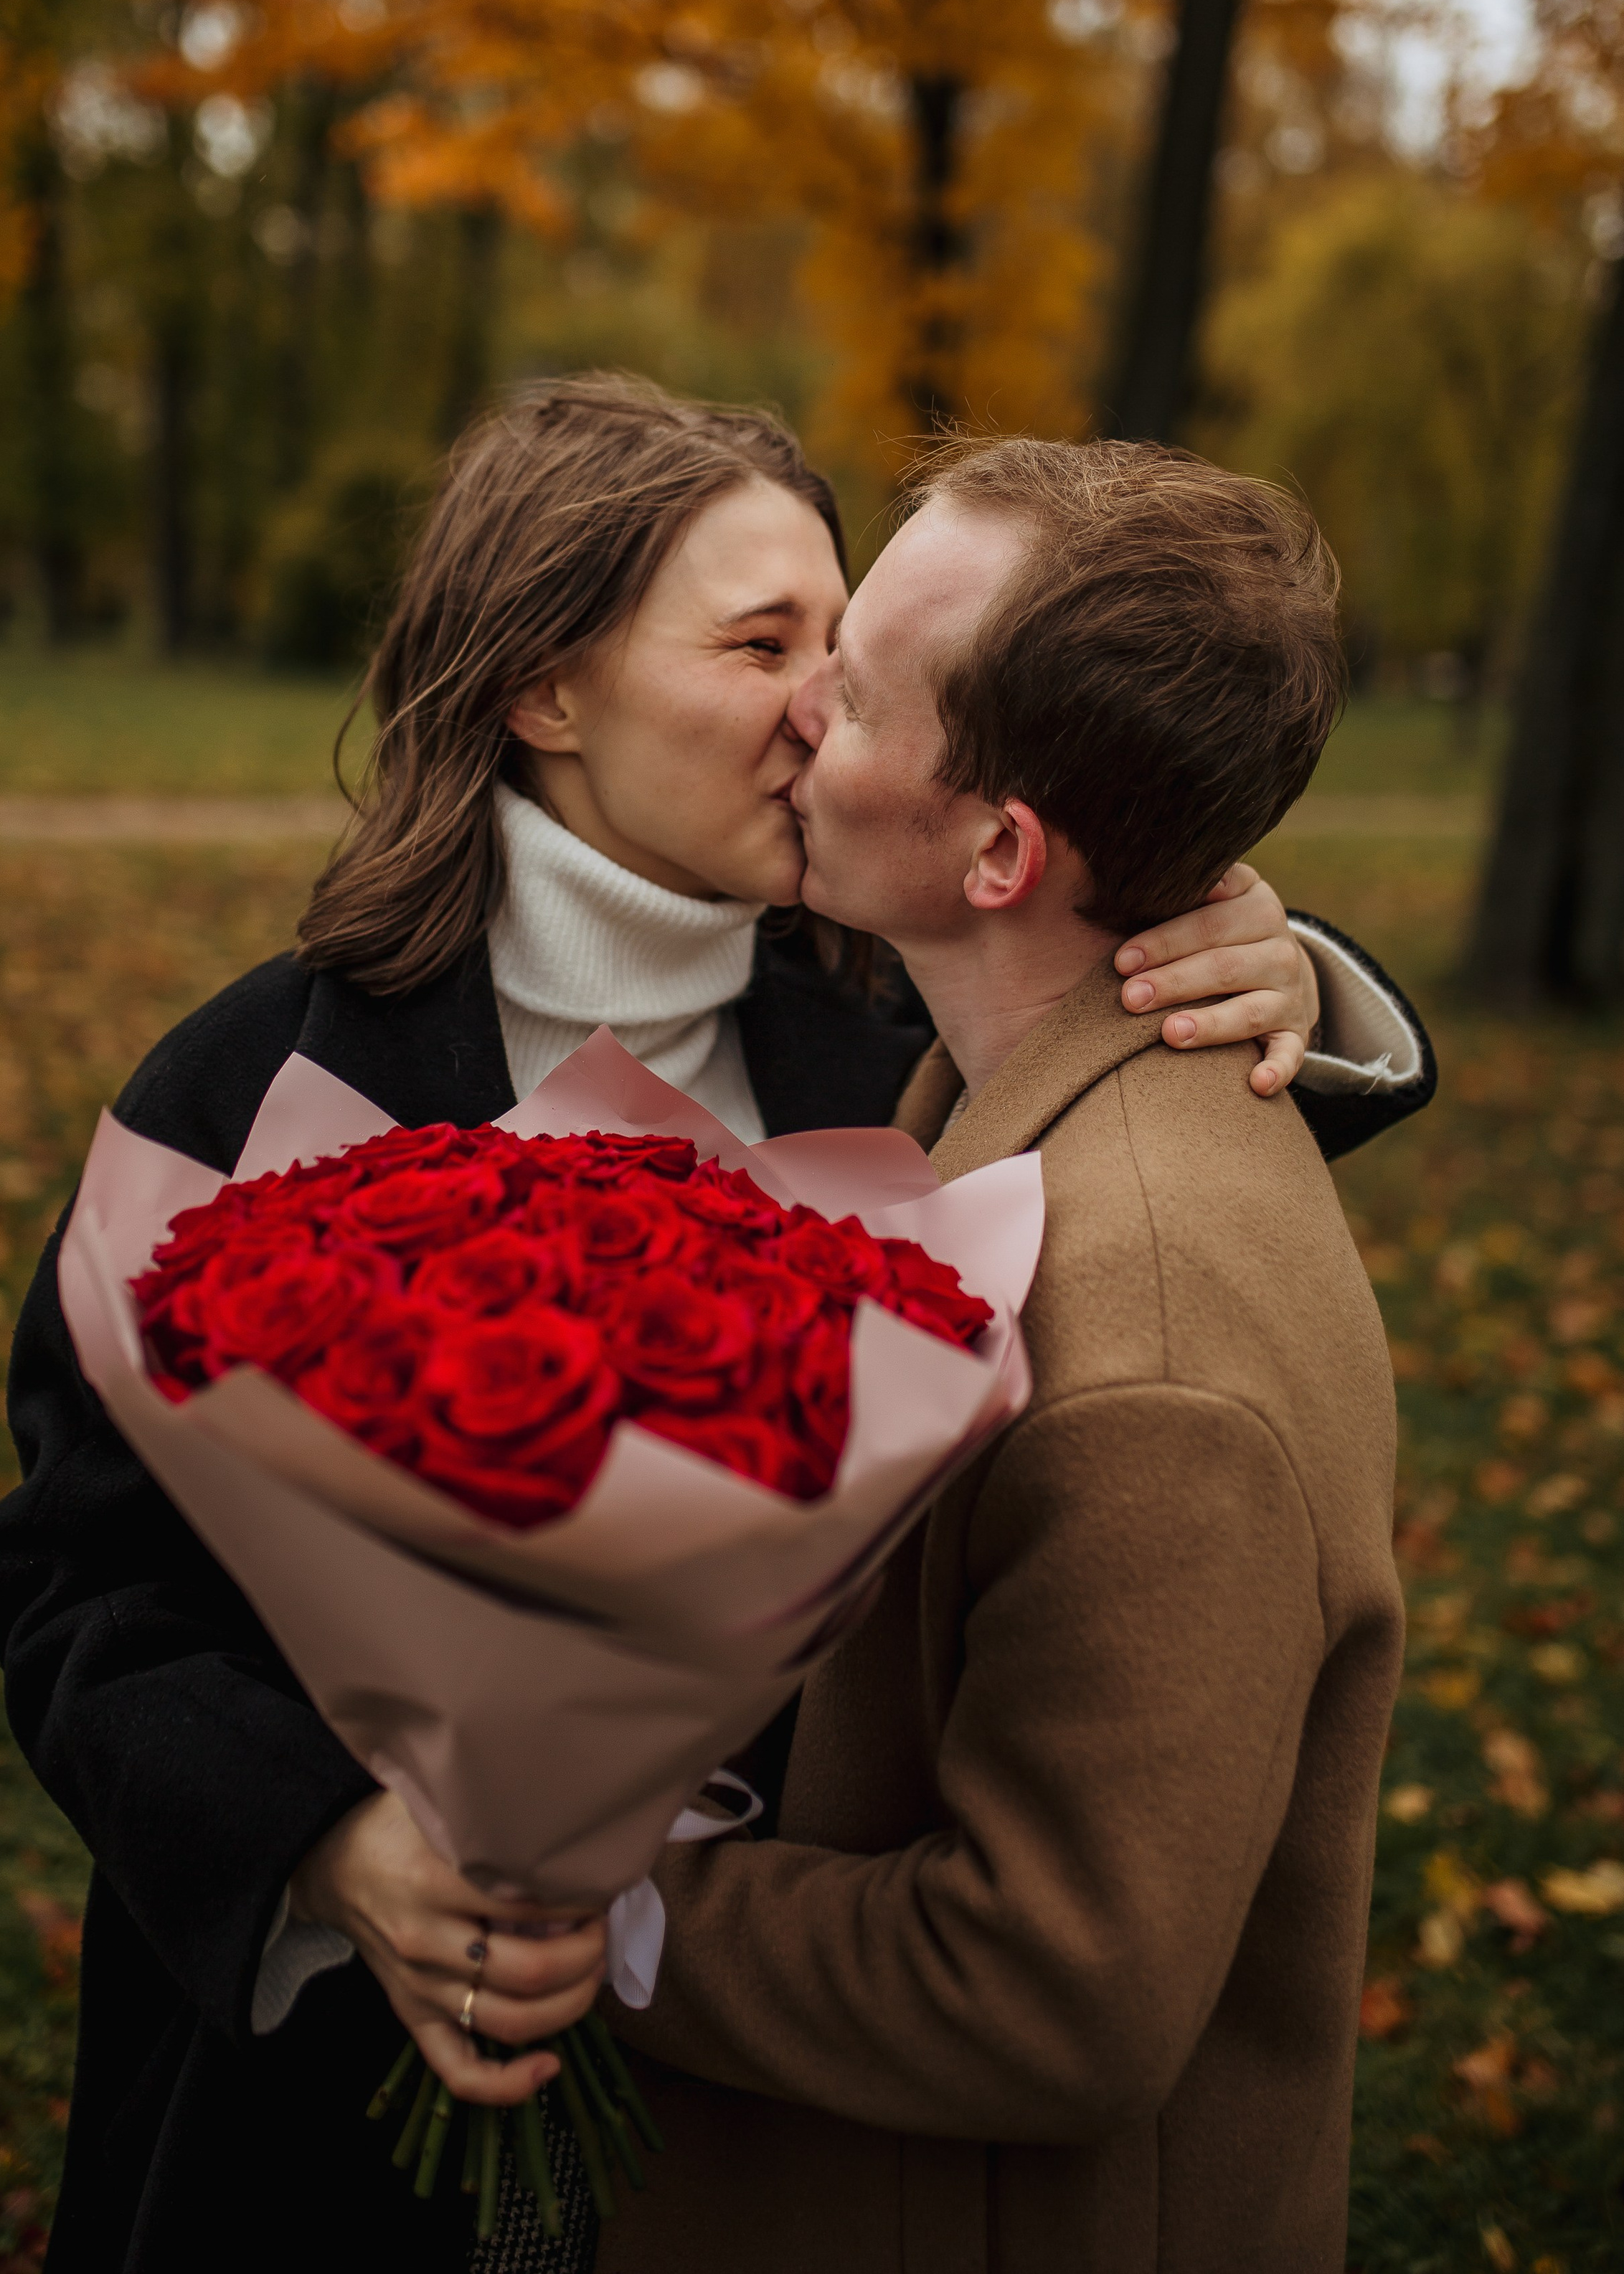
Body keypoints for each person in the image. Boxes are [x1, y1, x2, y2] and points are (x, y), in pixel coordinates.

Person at [0, 380, 1427, 2274]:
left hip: (782, 2124)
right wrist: (336, 1851)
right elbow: (74, 1579)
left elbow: (1129, 1208)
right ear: (545, 690)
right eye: (764, 643)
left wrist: (1271, 957)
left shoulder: (891, 1024)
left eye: (846, 639)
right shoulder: (255, 1088)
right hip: (329, 2113)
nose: (826, 702)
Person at [596, 435, 1415, 2274]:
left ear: (998, 851)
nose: (797, 711)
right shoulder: (992, 1097)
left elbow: (1051, 1989)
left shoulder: (1146, 1360)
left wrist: (600, 1898)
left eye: (859, 687)